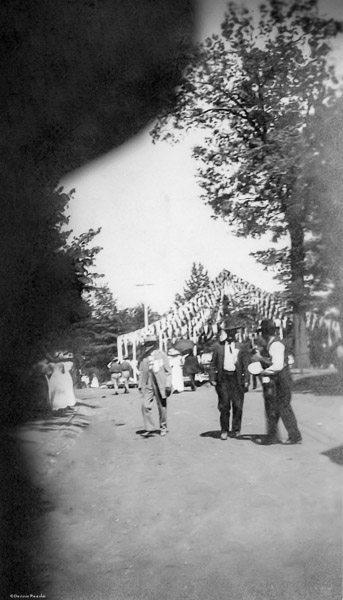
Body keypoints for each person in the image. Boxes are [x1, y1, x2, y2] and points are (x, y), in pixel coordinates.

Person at [254, 320, 302, 445]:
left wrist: (263, 370)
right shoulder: (271, 344)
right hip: (279, 378)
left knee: (283, 406)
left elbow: (277, 365)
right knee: (276, 407)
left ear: (265, 333)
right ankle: (274, 435)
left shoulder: (276, 345)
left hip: (282, 378)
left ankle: (294, 436)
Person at [210, 322, 250, 440]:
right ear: (225, 334)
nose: (232, 335)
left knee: (238, 405)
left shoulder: (241, 347)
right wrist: (212, 378)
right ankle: (224, 430)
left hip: (237, 379)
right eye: (229, 333)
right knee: (224, 405)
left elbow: (246, 364)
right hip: (223, 379)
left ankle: (236, 429)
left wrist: (247, 379)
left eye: (234, 333)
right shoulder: (218, 347)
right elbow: (213, 364)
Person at [138, 336, 172, 437]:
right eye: (147, 344)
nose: (148, 347)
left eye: (150, 344)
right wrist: (141, 385)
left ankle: (163, 427)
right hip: (149, 384)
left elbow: (168, 371)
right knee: (145, 405)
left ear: (154, 344)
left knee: (162, 407)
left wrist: (168, 385)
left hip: (160, 384)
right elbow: (142, 373)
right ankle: (149, 427)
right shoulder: (144, 358)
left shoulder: (162, 355)